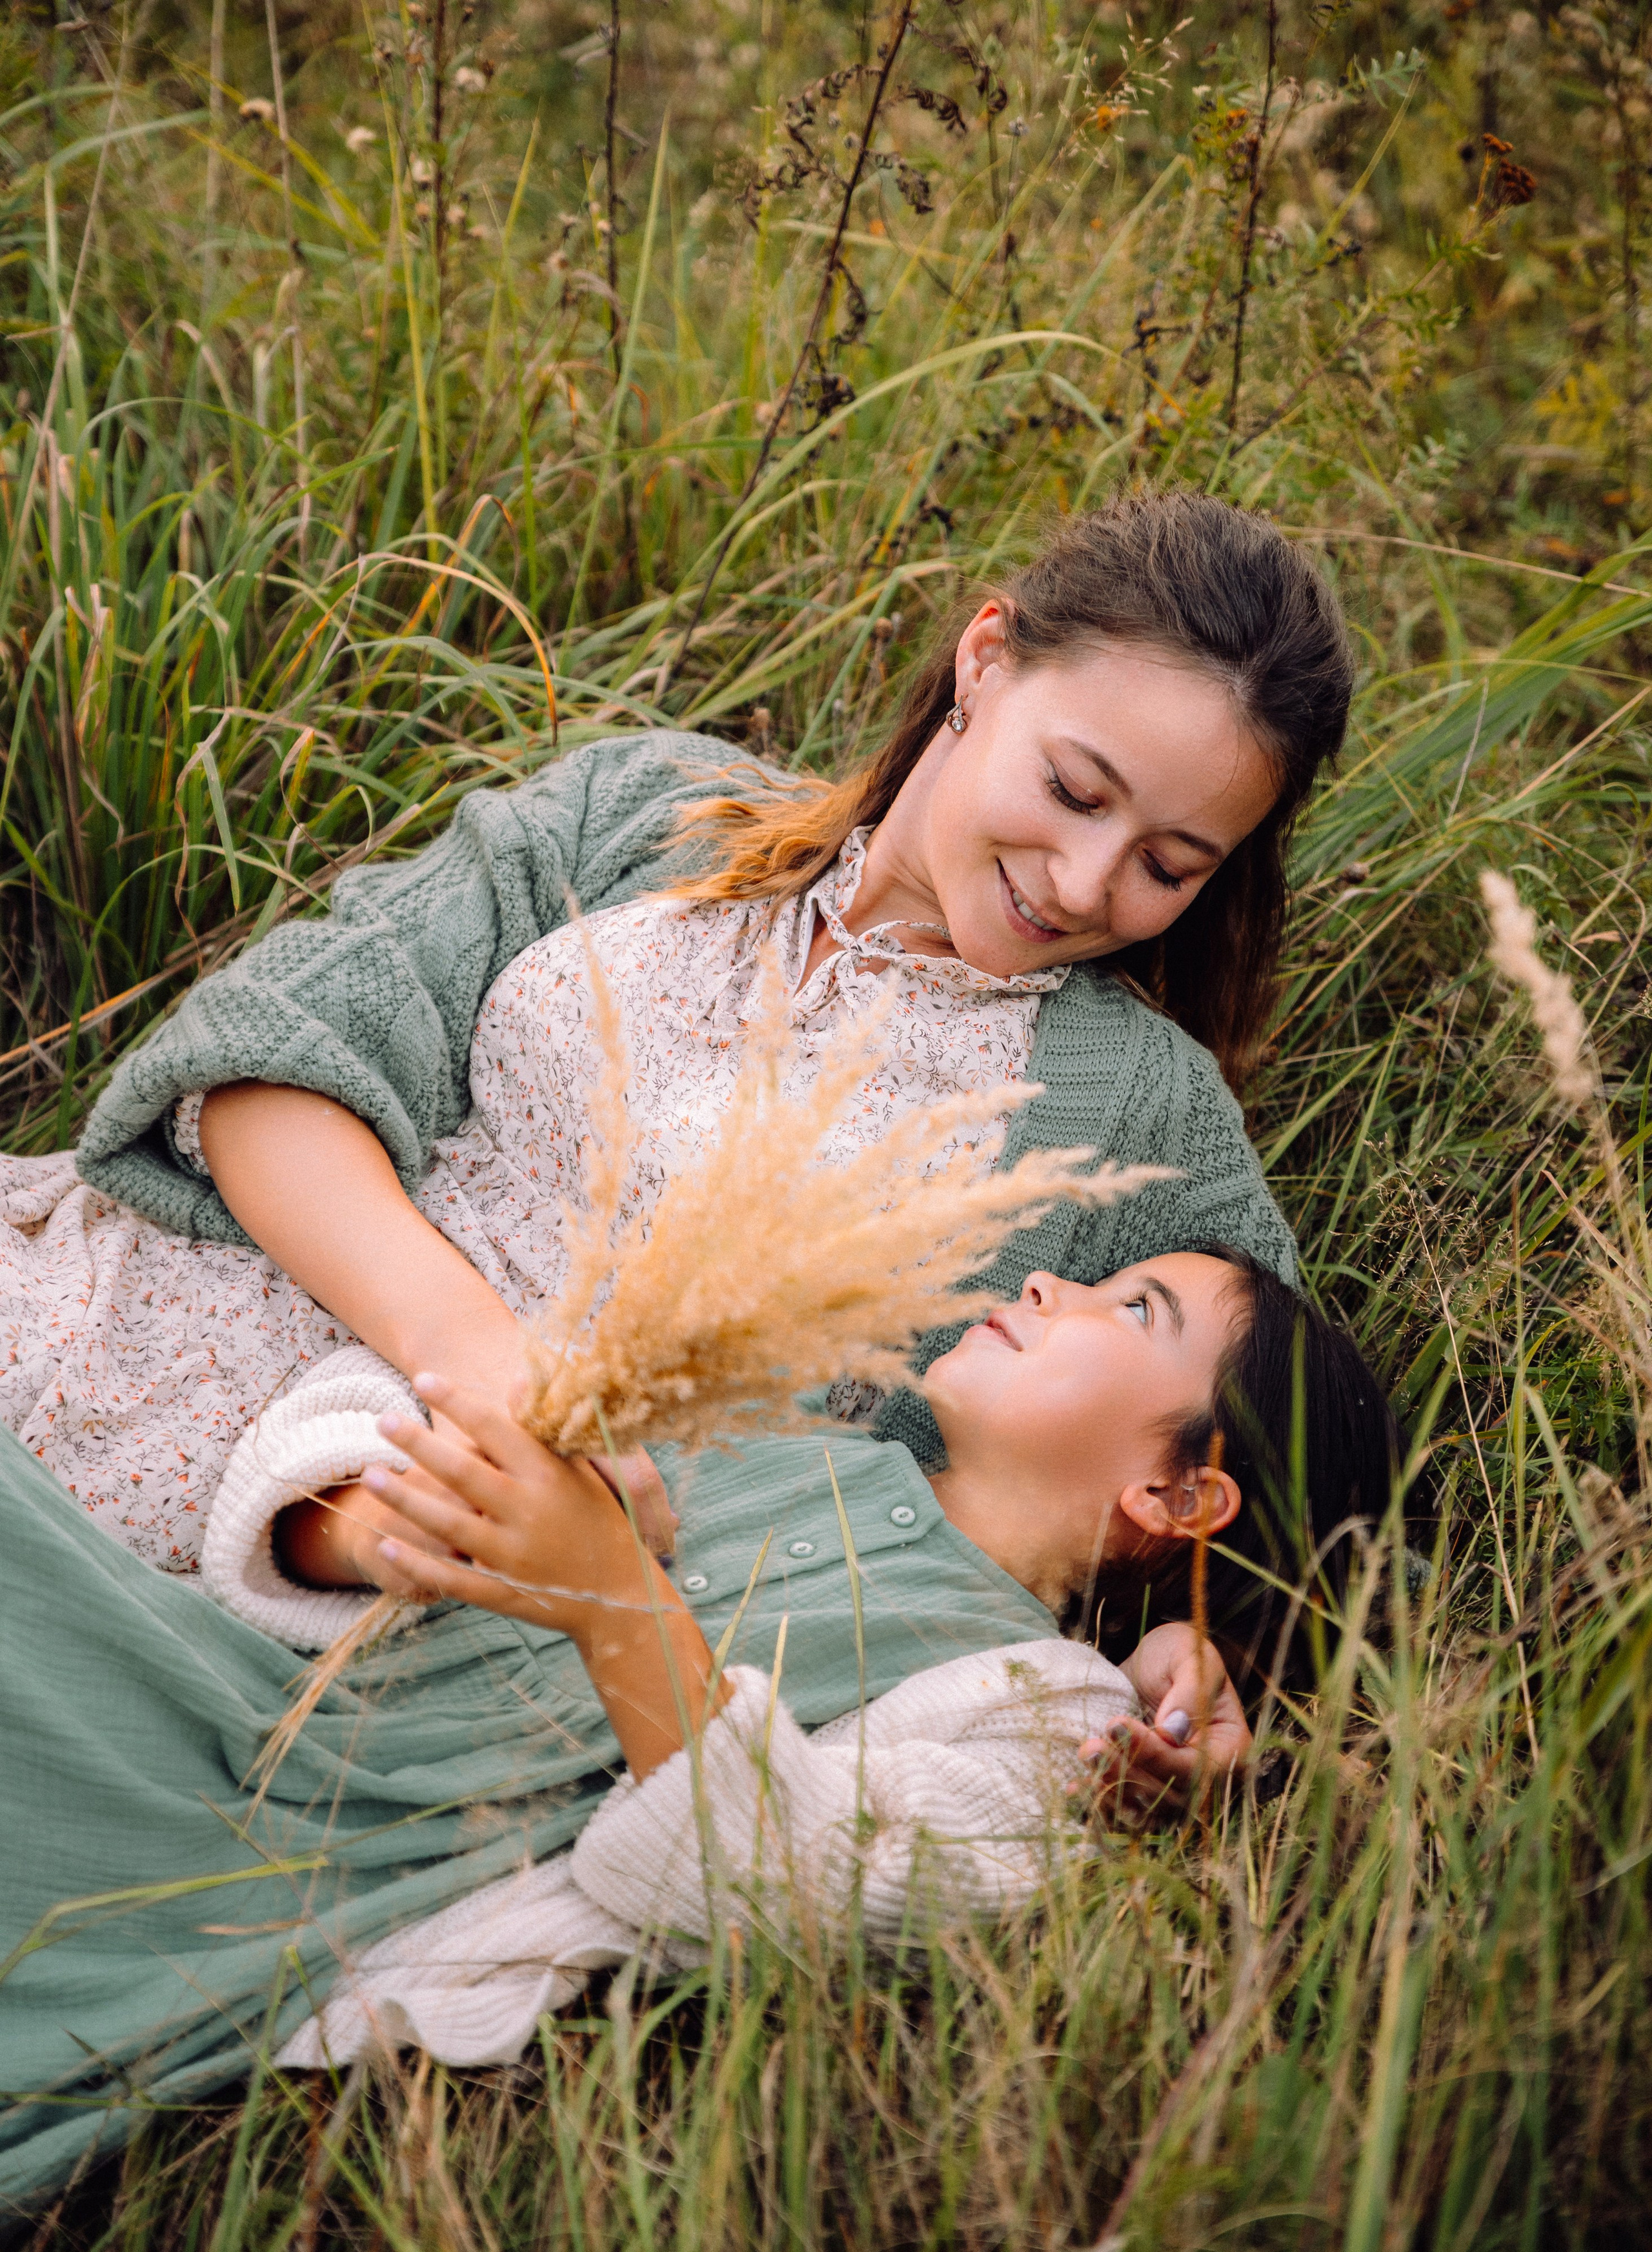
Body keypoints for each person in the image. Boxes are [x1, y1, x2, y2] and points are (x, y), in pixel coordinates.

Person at [22, 492, 1355, 1593]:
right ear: (982, 659)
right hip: (113, 1314)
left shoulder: (1135, 1110)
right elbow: (270, 1064)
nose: (1078, 881)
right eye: (1071, 789)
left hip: (397, 1558)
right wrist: (487, 1362)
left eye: (1167, 863)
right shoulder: (647, 808)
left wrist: (1196, 1646)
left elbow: (1282, 1468)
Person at [1, 1247, 1400, 2209]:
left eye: (1130, 1305)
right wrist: (379, 1528)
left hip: (315, 1881)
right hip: (216, 1685)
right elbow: (344, 1429)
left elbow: (763, 1882)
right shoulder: (795, 1433)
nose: (1051, 1280)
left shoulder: (1052, 1725)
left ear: (1181, 1497)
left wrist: (609, 1589)